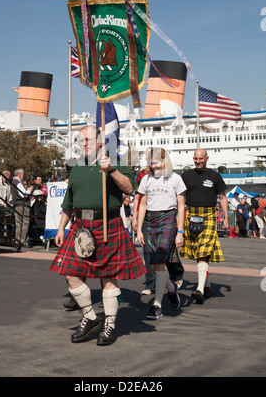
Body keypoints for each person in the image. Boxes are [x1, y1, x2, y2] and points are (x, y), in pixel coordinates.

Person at [50, 125, 146, 346]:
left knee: (108, 276)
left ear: (101, 142)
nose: (84, 144)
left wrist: (112, 170)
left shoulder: (115, 162)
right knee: (70, 275)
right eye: (81, 140)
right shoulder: (76, 167)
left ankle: (110, 325)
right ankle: (90, 316)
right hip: (81, 226)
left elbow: (130, 189)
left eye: (89, 140)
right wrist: (61, 228)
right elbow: (68, 204)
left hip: (108, 224)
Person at [137, 147, 186, 320]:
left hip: (168, 219)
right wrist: (138, 229)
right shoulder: (146, 179)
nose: (154, 166)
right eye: (151, 163)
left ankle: (157, 305)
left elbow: (181, 206)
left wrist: (180, 231)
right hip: (151, 221)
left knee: (159, 263)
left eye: (156, 162)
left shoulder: (176, 179)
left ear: (165, 161)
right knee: (153, 266)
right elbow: (142, 204)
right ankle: (172, 289)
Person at [180, 149, 229, 304]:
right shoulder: (185, 176)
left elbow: (222, 197)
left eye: (201, 158)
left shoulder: (215, 176)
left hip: (208, 216)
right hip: (190, 215)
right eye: (195, 158)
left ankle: (200, 289)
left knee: (204, 252)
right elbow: (181, 198)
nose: (198, 161)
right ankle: (206, 286)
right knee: (197, 252)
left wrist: (226, 217)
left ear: (207, 158)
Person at [132, 167, 156, 296]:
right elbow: (137, 198)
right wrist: (135, 218)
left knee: (165, 251)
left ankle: (173, 277)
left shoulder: (166, 173)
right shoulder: (141, 174)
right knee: (147, 251)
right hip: (145, 217)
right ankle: (151, 283)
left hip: (162, 216)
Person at [10, 169, 34, 248]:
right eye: (23, 174)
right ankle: (23, 241)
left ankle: (18, 240)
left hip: (17, 205)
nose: (23, 175)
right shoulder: (18, 183)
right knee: (25, 223)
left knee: (18, 223)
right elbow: (23, 194)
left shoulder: (13, 182)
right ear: (20, 174)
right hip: (22, 205)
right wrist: (29, 190)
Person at [0, 170, 11, 237]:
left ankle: (2, 235)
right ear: (6, 175)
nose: (10, 177)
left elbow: (9, 194)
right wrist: (2, 203)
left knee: (4, 221)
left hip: (5, 204)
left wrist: (8, 202)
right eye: (9, 175)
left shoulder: (7, 183)